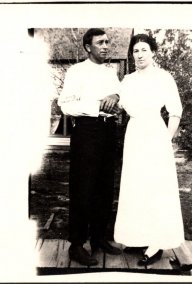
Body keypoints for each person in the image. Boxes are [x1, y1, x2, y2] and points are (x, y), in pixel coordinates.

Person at [114, 34, 185, 266]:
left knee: (156, 187)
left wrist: (165, 140)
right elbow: (117, 105)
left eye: (144, 49)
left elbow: (175, 112)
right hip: (134, 134)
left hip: (155, 134)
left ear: (153, 52)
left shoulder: (164, 78)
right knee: (136, 185)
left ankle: (155, 243)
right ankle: (138, 237)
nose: (140, 54)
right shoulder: (128, 80)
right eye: (136, 51)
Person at [58, 28, 122, 266]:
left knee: (104, 187)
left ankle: (98, 238)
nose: (105, 46)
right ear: (88, 47)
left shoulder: (110, 72)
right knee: (83, 186)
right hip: (87, 130)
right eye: (100, 43)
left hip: (108, 131)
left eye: (107, 42)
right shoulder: (76, 71)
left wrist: (115, 95)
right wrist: (97, 106)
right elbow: (65, 104)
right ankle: (76, 245)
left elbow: (121, 99)